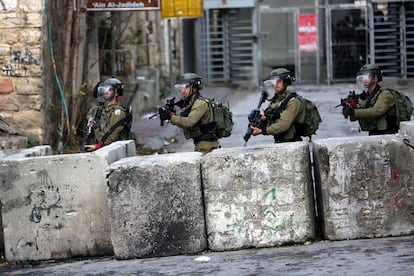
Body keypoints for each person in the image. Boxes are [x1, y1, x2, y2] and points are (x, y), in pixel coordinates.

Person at [158, 73, 219, 153]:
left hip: (206, 145)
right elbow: (182, 118)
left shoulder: (200, 103)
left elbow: (189, 121)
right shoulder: (192, 102)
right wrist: (170, 114)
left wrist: (170, 117)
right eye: (182, 88)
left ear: (194, 88)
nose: (183, 91)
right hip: (201, 143)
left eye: (186, 87)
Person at [250, 68, 304, 143]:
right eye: (274, 82)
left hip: (293, 143)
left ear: (285, 82)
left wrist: (263, 131)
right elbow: (275, 117)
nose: (275, 85)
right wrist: (264, 119)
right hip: (279, 141)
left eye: (279, 81)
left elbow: (283, 125)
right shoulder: (276, 100)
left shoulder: (293, 102)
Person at [342, 64, 397, 135]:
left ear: (376, 78)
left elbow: (376, 111)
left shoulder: (385, 94)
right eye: (362, 77)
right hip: (374, 132)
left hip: (387, 133)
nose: (364, 80)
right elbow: (363, 108)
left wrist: (354, 112)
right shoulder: (369, 96)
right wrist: (351, 106)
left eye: (368, 76)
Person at [84, 77, 131, 151]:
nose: (106, 92)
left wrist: (97, 146)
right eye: (104, 89)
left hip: (114, 151)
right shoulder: (104, 108)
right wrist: (90, 118)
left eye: (109, 90)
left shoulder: (118, 112)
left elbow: (110, 138)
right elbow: (91, 112)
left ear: (116, 93)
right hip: (101, 148)